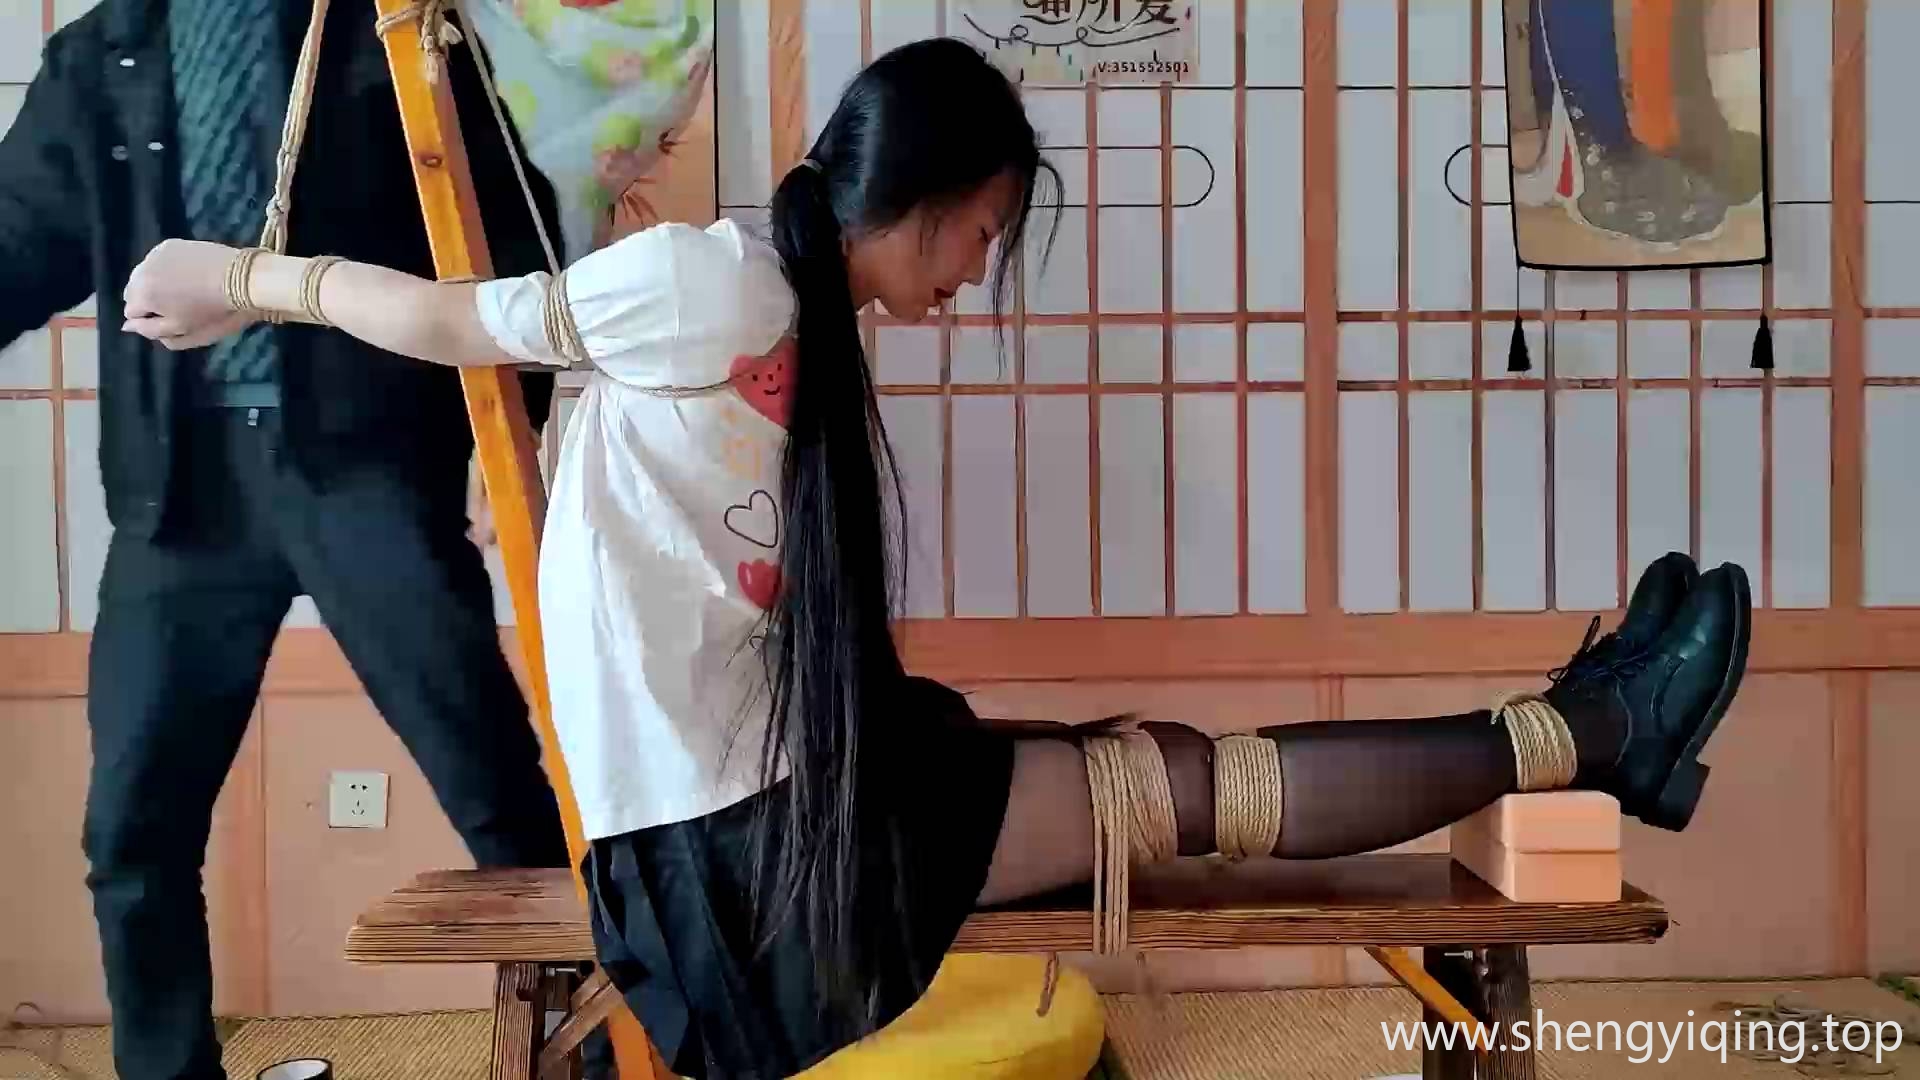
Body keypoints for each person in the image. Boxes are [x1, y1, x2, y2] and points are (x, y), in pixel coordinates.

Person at [120, 36, 1753, 1080]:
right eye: (984, 229)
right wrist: (233, 277)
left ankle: (1584, 720)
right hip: (738, 869)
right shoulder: (712, 282)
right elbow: (450, 319)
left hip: (773, 809)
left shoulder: (782, 305)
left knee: (1156, 777)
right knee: (1172, 790)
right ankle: (1595, 732)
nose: (979, 268)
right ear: (926, 196)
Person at [0, 3, 576, 1077]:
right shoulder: (104, 52)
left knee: (492, 781)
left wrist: (513, 439)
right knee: (131, 829)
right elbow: (18, 242)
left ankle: (595, 1044)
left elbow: (502, 224)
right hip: (180, 491)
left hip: (364, 467)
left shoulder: (386, 27)